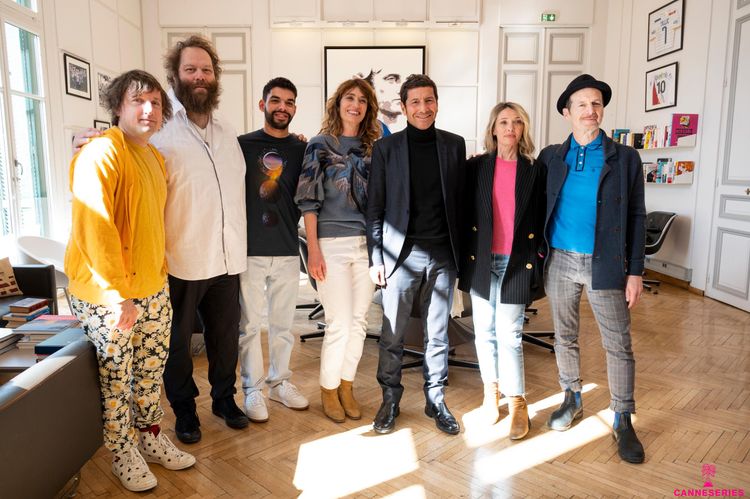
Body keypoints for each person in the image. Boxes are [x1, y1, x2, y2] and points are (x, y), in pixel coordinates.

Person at [74, 36, 250, 443]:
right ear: (175, 75)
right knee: (176, 345)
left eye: (206, 70)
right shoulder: (158, 129)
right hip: (180, 257)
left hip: (227, 258)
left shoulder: (228, 130)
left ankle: (225, 399)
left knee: (226, 339)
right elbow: (121, 155)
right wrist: (84, 142)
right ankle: (184, 410)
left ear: (215, 77)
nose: (199, 76)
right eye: (191, 69)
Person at [65, 69, 195, 492]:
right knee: (117, 379)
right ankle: (122, 452)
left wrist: (157, 282)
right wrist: (116, 295)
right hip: (109, 295)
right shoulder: (102, 153)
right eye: (138, 101)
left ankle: (151, 438)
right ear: (117, 107)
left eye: (155, 102)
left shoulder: (154, 156)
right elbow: (95, 230)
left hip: (152, 288)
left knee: (150, 372)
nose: (148, 109)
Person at [538, 74, 646, 464]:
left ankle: (623, 417)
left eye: (596, 103)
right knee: (564, 336)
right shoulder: (551, 157)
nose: (590, 110)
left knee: (618, 343)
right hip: (560, 260)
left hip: (606, 262)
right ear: (567, 112)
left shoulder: (625, 158)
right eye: (582, 104)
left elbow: (637, 215)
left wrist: (636, 272)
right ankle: (572, 397)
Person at [366, 74, 466, 436]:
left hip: (443, 256)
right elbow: (375, 208)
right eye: (415, 102)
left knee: (437, 335)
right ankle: (390, 399)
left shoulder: (454, 145)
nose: (423, 108)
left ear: (436, 103)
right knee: (392, 335)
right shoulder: (386, 149)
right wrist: (376, 259)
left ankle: (435, 399)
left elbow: (462, 201)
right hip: (399, 257)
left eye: (429, 100)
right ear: (404, 107)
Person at [294, 78, 380, 423]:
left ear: (368, 108)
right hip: (331, 245)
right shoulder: (319, 145)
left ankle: (347, 386)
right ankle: (328, 389)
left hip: (367, 246)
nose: (355, 105)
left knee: (359, 322)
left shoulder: (374, 148)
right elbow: (308, 201)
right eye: (349, 98)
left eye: (362, 100)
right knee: (339, 323)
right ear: (338, 103)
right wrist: (313, 250)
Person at [458, 102, 545, 439]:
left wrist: (539, 255)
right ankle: (490, 396)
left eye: (517, 122)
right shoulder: (476, 167)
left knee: (509, 335)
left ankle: (518, 401)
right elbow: (464, 211)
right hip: (482, 260)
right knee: (484, 332)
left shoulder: (534, 170)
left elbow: (542, 216)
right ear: (493, 129)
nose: (510, 128)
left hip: (517, 261)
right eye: (504, 122)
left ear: (523, 129)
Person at [237, 77, 309, 422]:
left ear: (294, 108)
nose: (283, 107)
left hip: (286, 248)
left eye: (289, 102)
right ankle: (252, 389)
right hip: (249, 250)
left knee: (283, 324)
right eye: (276, 100)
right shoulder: (241, 145)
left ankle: (279, 383)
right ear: (262, 104)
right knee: (250, 325)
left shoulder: (302, 149)